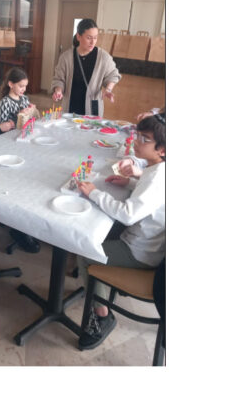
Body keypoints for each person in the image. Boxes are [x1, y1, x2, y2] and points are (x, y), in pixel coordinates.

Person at [76, 113, 165, 350]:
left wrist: (94, 193)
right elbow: (150, 197)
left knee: (84, 250)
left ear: (162, 150)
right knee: (98, 229)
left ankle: (102, 316)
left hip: (141, 252)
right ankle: (98, 289)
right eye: (138, 135)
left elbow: (127, 214)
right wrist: (131, 183)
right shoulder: (158, 169)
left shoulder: (157, 178)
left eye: (144, 139)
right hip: (146, 241)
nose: (136, 141)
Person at [0, 67, 41, 254]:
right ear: (10, 84)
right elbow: (1, 126)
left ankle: (23, 220)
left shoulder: (24, 99)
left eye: (25, 86)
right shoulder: (5, 102)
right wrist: (20, 115)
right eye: (20, 86)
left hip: (23, 141)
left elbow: (32, 119)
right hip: (8, 144)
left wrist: (31, 112)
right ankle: (15, 222)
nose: (23, 89)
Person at [50, 18, 121, 116]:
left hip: (93, 107)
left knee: (91, 126)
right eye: (89, 38)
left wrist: (108, 89)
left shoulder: (103, 57)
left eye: (95, 38)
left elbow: (113, 75)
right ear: (78, 36)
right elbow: (59, 79)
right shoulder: (66, 57)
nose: (93, 42)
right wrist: (58, 90)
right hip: (70, 106)